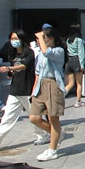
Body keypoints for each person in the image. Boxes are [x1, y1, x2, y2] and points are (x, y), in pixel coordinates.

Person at [0, 30, 49, 150]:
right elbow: (14, 68)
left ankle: (45, 135)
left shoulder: (29, 52)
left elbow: (24, 66)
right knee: (8, 116)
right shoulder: (12, 53)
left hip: (27, 89)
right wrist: (11, 72)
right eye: (12, 39)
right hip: (15, 90)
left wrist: (10, 68)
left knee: (35, 116)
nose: (13, 41)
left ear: (22, 39)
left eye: (16, 38)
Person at [30, 26, 67, 161]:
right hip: (41, 84)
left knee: (53, 118)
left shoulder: (58, 51)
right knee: (34, 118)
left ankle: (52, 150)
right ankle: (57, 134)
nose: (39, 41)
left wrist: (41, 38)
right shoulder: (41, 53)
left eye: (43, 38)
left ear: (51, 39)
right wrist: (34, 90)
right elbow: (37, 72)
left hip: (53, 84)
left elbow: (47, 52)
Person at [64, 24, 85, 108]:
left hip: (69, 61)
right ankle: (78, 101)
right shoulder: (79, 40)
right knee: (79, 83)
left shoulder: (68, 40)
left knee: (70, 83)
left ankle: (61, 97)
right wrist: (82, 65)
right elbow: (81, 53)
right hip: (77, 61)